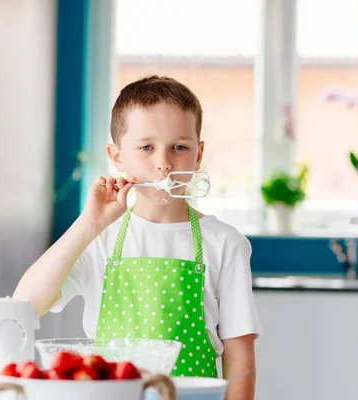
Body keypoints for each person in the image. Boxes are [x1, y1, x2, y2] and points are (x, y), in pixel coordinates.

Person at [14, 75, 262, 399]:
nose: (164, 164)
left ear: (198, 155)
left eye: (179, 147)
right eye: (146, 147)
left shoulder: (225, 243)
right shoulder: (98, 239)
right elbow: (25, 305)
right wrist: (88, 226)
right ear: (117, 157)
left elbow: (239, 358)